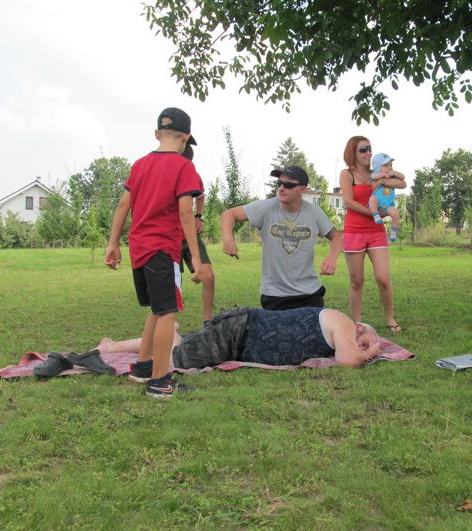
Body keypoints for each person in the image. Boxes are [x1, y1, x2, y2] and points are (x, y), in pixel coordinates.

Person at [104, 107, 206, 397]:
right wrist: (196, 258)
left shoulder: (139, 165)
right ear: (185, 137)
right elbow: (186, 213)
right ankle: (160, 382)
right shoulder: (184, 167)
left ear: (157, 134)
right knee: (168, 313)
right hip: (162, 249)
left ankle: (143, 367)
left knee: (158, 310)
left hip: (139, 248)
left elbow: (123, 205)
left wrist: (113, 243)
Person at [97, 307, 382, 369]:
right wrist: (372, 352)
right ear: (359, 327)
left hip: (241, 338)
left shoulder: (340, 330)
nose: (362, 347)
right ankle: (167, 331)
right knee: (176, 360)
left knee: (180, 350)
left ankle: (111, 346)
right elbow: (348, 361)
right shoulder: (345, 323)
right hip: (238, 331)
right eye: (366, 341)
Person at [220, 166, 342, 310]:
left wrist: (332, 258)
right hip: (275, 295)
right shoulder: (267, 208)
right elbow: (229, 214)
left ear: (303, 189)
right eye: (279, 183)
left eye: (288, 185)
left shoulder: (313, 212)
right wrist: (228, 239)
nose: (281, 188)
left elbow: (336, 236)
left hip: (310, 293)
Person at [339, 137, 406, 334]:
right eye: (363, 149)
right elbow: (348, 202)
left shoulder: (377, 173)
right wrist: (374, 213)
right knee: (356, 281)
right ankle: (357, 323)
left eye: (369, 148)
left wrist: (386, 177)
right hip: (354, 231)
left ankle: (390, 318)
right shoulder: (347, 174)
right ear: (352, 153)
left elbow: (402, 183)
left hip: (376, 231)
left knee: (383, 279)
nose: (368, 152)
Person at [179, 144, 215, 323]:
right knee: (170, 284)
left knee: (208, 275)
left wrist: (199, 216)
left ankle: (208, 322)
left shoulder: (192, 175)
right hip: (166, 238)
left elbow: (200, 196)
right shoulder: (160, 173)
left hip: (189, 236)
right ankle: (168, 326)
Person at [368, 152, 402, 243]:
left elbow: (403, 177)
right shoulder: (375, 175)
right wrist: (383, 175)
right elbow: (373, 176)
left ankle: (393, 231)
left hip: (388, 205)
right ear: (377, 168)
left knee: (395, 213)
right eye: (386, 165)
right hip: (377, 202)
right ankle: (376, 215)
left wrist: (394, 173)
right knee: (372, 200)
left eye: (391, 165)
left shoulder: (393, 177)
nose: (389, 167)